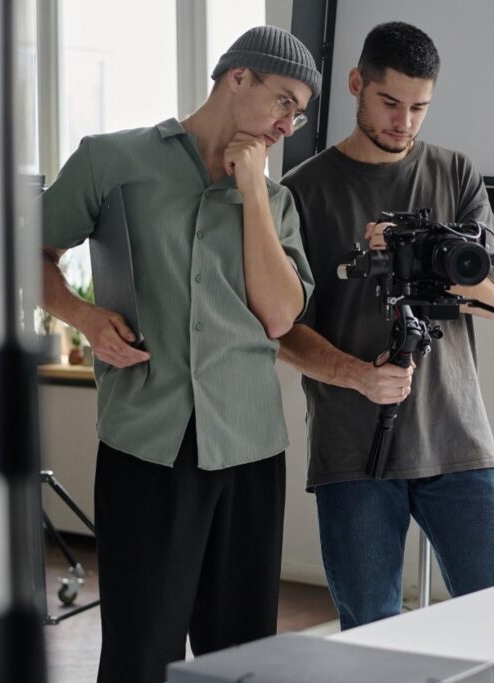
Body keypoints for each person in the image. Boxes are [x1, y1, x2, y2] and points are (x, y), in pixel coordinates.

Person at [38, 26, 319, 683]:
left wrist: (251, 190)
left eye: (298, 113)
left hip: (249, 451)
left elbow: (280, 315)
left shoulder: (275, 202)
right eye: (283, 101)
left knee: (243, 655)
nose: (288, 123)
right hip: (146, 447)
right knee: (140, 651)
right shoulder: (113, 160)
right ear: (236, 77)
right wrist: (83, 316)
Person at [279, 21, 494, 629]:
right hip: (354, 450)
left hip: (458, 438)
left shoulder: (456, 174)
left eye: (419, 108)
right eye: (389, 102)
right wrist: (360, 377)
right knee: (370, 633)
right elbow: (282, 329)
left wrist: (424, 248)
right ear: (357, 84)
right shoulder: (303, 192)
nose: (403, 122)